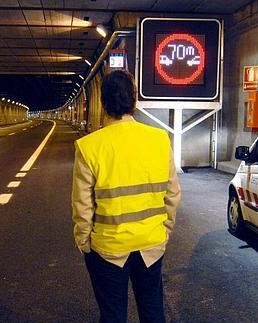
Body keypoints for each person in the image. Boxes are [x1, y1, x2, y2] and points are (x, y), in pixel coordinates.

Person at [71, 69, 181, 323]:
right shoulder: (159, 139)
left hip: (108, 248)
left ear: (103, 102)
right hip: (151, 244)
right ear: (134, 101)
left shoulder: (90, 146)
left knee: (112, 315)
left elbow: (82, 204)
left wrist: (84, 242)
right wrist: (164, 231)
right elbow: (173, 194)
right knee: (153, 310)